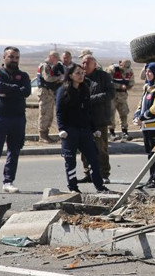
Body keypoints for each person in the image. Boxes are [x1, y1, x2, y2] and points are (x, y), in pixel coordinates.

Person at [56, 64, 108, 193]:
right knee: (70, 160)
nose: (81, 76)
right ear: (71, 75)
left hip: (85, 131)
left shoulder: (84, 89)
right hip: (70, 131)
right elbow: (59, 111)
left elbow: (88, 112)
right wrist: (61, 128)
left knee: (94, 158)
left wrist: (94, 128)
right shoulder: (63, 90)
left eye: (82, 73)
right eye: (78, 73)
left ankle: (99, 186)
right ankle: (73, 187)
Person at [0, 47, 31, 194]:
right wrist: (16, 89)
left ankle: (8, 182)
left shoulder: (24, 75)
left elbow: (26, 91)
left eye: (16, 57)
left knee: (14, 151)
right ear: (4, 57)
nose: (14, 60)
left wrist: (7, 91)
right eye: (11, 57)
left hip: (18, 118)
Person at [133, 62, 155, 189]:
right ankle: (151, 178)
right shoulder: (147, 87)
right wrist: (136, 116)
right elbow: (140, 104)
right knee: (150, 154)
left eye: (150, 71)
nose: (147, 74)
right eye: (146, 71)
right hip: (146, 126)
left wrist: (143, 117)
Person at [79, 54, 114, 183]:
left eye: (87, 63)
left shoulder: (103, 77)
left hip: (99, 119)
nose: (84, 65)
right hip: (84, 119)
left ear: (94, 64)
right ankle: (88, 173)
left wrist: (91, 99)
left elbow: (110, 93)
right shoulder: (80, 77)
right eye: (83, 63)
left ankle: (104, 173)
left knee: (101, 148)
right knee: (84, 148)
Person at [36, 50, 64, 143]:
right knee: (44, 114)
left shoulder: (49, 66)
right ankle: (42, 135)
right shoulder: (45, 66)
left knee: (49, 114)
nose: (57, 62)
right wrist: (59, 78)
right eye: (56, 59)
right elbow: (48, 78)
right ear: (52, 57)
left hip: (49, 92)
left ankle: (45, 134)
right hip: (45, 92)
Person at [107, 59, 135, 141]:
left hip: (122, 96)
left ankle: (125, 132)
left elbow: (131, 82)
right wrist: (119, 86)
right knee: (111, 114)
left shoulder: (129, 72)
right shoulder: (112, 70)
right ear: (120, 64)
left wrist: (128, 86)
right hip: (112, 95)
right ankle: (112, 133)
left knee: (124, 113)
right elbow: (108, 82)